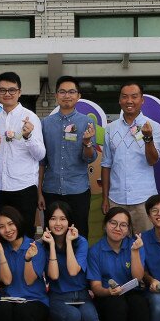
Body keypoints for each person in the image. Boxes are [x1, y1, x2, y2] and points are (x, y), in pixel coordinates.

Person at [42, 201, 103, 321]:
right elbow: (53, 275)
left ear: (70, 222)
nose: (58, 223)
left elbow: (73, 270)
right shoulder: (43, 244)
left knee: (90, 315)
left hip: (82, 295)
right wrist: (53, 246)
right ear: (47, 222)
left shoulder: (81, 242)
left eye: (63, 219)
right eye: (53, 219)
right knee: (73, 315)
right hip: (58, 297)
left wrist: (69, 242)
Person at [87, 207, 147, 321]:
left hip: (131, 292)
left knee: (140, 303)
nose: (117, 228)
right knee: (117, 304)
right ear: (105, 225)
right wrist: (108, 291)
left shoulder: (134, 244)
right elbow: (96, 287)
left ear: (128, 229)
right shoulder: (95, 251)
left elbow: (138, 277)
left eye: (123, 225)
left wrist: (135, 252)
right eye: (113, 223)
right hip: (108, 296)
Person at [0, 71, 45, 234]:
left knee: (24, 235)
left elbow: (40, 155)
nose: (7, 94)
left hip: (24, 188)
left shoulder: (30, 118)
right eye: (2, 90)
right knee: (2, 235)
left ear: (19, 92)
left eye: (12, 90)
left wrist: (28, 136)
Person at [101, 82, 160, 234]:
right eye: (125, 97)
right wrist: (105, 198)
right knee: (118, 244)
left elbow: (153, 160)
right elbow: (106, 164)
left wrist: (148, 138)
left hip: (144, 199)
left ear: (142, 100)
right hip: (116, 198)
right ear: (119, 100)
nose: (129, 101)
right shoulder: (110, 128)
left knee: (145, 244)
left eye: (134, 97)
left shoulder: (153, 126)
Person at [39, 76, 95, 236]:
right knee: (51, 234)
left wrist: (86, 143)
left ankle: (78, 262)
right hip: (51, 189)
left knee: (79, 233)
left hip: (78, 190)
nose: (67, 95)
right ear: (56, 96)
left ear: (79, 96)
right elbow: (41, 162)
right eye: (62, 92)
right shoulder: (45, 124)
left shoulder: (86, 122)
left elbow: (90, 158)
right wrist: (39, 192)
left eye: (71, 92)